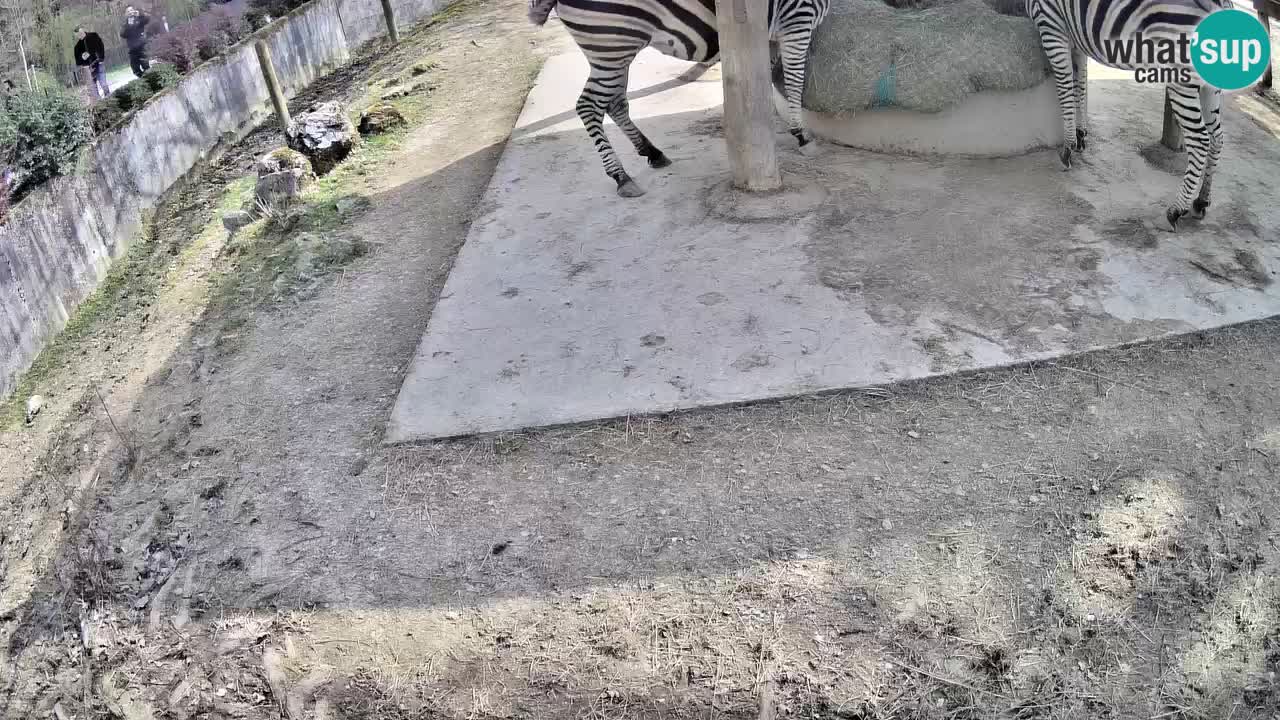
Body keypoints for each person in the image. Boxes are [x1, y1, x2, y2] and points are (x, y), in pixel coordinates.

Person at [73, 27, 110, 99]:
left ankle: (109, 98)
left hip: (98, 63)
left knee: (103, 83)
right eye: (78, 35)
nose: (80, 35)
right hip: (89, 68)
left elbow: (101, 46)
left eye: (81, 33)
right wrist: (82, 57)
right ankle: (100, 103)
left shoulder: (93, 36)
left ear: (83, 30)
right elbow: (78, 62)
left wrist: (101, 58)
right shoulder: (77, 47)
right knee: (94, 86)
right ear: (76, 36)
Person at [120, 5, 152, 78]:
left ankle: (150, 78)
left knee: (145, 65)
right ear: (126, 14)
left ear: (133, 10)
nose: (130, 12)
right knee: (135, 69)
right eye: (128, 11)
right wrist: (128, 25)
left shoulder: (139, 19)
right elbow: (122, 34)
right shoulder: (125, 24)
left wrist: (140, 14)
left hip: (141, 47)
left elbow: (147, 19)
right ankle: (143, 79)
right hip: (132, 49)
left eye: (131, 10)